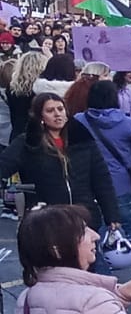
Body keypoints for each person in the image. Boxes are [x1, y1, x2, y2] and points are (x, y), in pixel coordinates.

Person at [0, 94, 119, 236]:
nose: (57, 114)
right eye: (50, 111)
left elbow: (102, 180)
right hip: (46, 222)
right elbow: (3, 166)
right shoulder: (27, 143)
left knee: (90, 258)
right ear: (40, 117)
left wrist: (112, 216)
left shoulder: (82, 139)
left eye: (60, 109)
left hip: (84, 219)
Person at [77, 82, 131, 277]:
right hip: (122, 184)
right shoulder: (126, 123)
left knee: (96, 235)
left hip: (91, 186)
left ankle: (103, 278)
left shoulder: (79, 121)